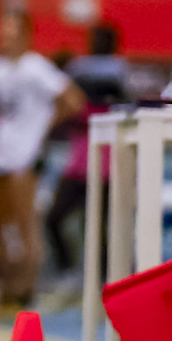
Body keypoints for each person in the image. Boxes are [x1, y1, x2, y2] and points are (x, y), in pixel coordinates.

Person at [0, 8, 85, 311]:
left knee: (23, 224)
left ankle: (24, 292)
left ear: (25, 35)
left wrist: (43, 126)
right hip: (1, 154)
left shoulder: (36, 68)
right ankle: (4, 292)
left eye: (12, 31)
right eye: (3, 30)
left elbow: (74, 100)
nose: (6, 37)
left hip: (26, 155)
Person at [45, 23, 129, 280]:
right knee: (55, 218)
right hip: (80, 163)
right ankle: (68, 269)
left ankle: (104, 280)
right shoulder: (80, 73)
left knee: (102, 227)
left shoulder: (116, 72)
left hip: (107, 165)